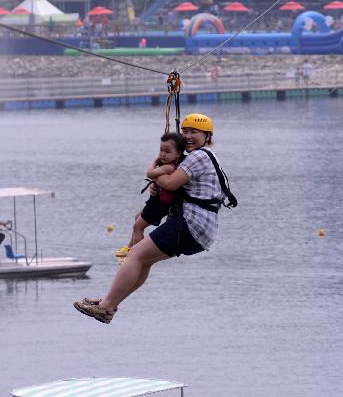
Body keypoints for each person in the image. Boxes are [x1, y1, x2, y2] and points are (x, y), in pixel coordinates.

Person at [75, 113, 236, 324]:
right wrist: (159, 184)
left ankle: (106, 306)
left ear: (207, 136)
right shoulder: (198, 156)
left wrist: (158, 178)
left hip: (191, 223)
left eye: (194, 132)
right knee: (143, 261)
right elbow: (177, 185)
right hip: (200, 229)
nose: (188, 136)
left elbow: (169, 184)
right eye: (185, 131)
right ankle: (109, 305)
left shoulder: (199, 156)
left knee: (135, 255)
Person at [115, 132, 186, 261]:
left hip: (160, 205)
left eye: (167, 151)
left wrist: (155, 161)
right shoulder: (169, 165)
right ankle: (130, 247)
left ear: (178, 154)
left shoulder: (169, 168)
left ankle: (134, 256)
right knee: (137, 217)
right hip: (157, 201)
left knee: (138, 227)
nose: (163, 154)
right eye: (161, 150)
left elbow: (149, 173)